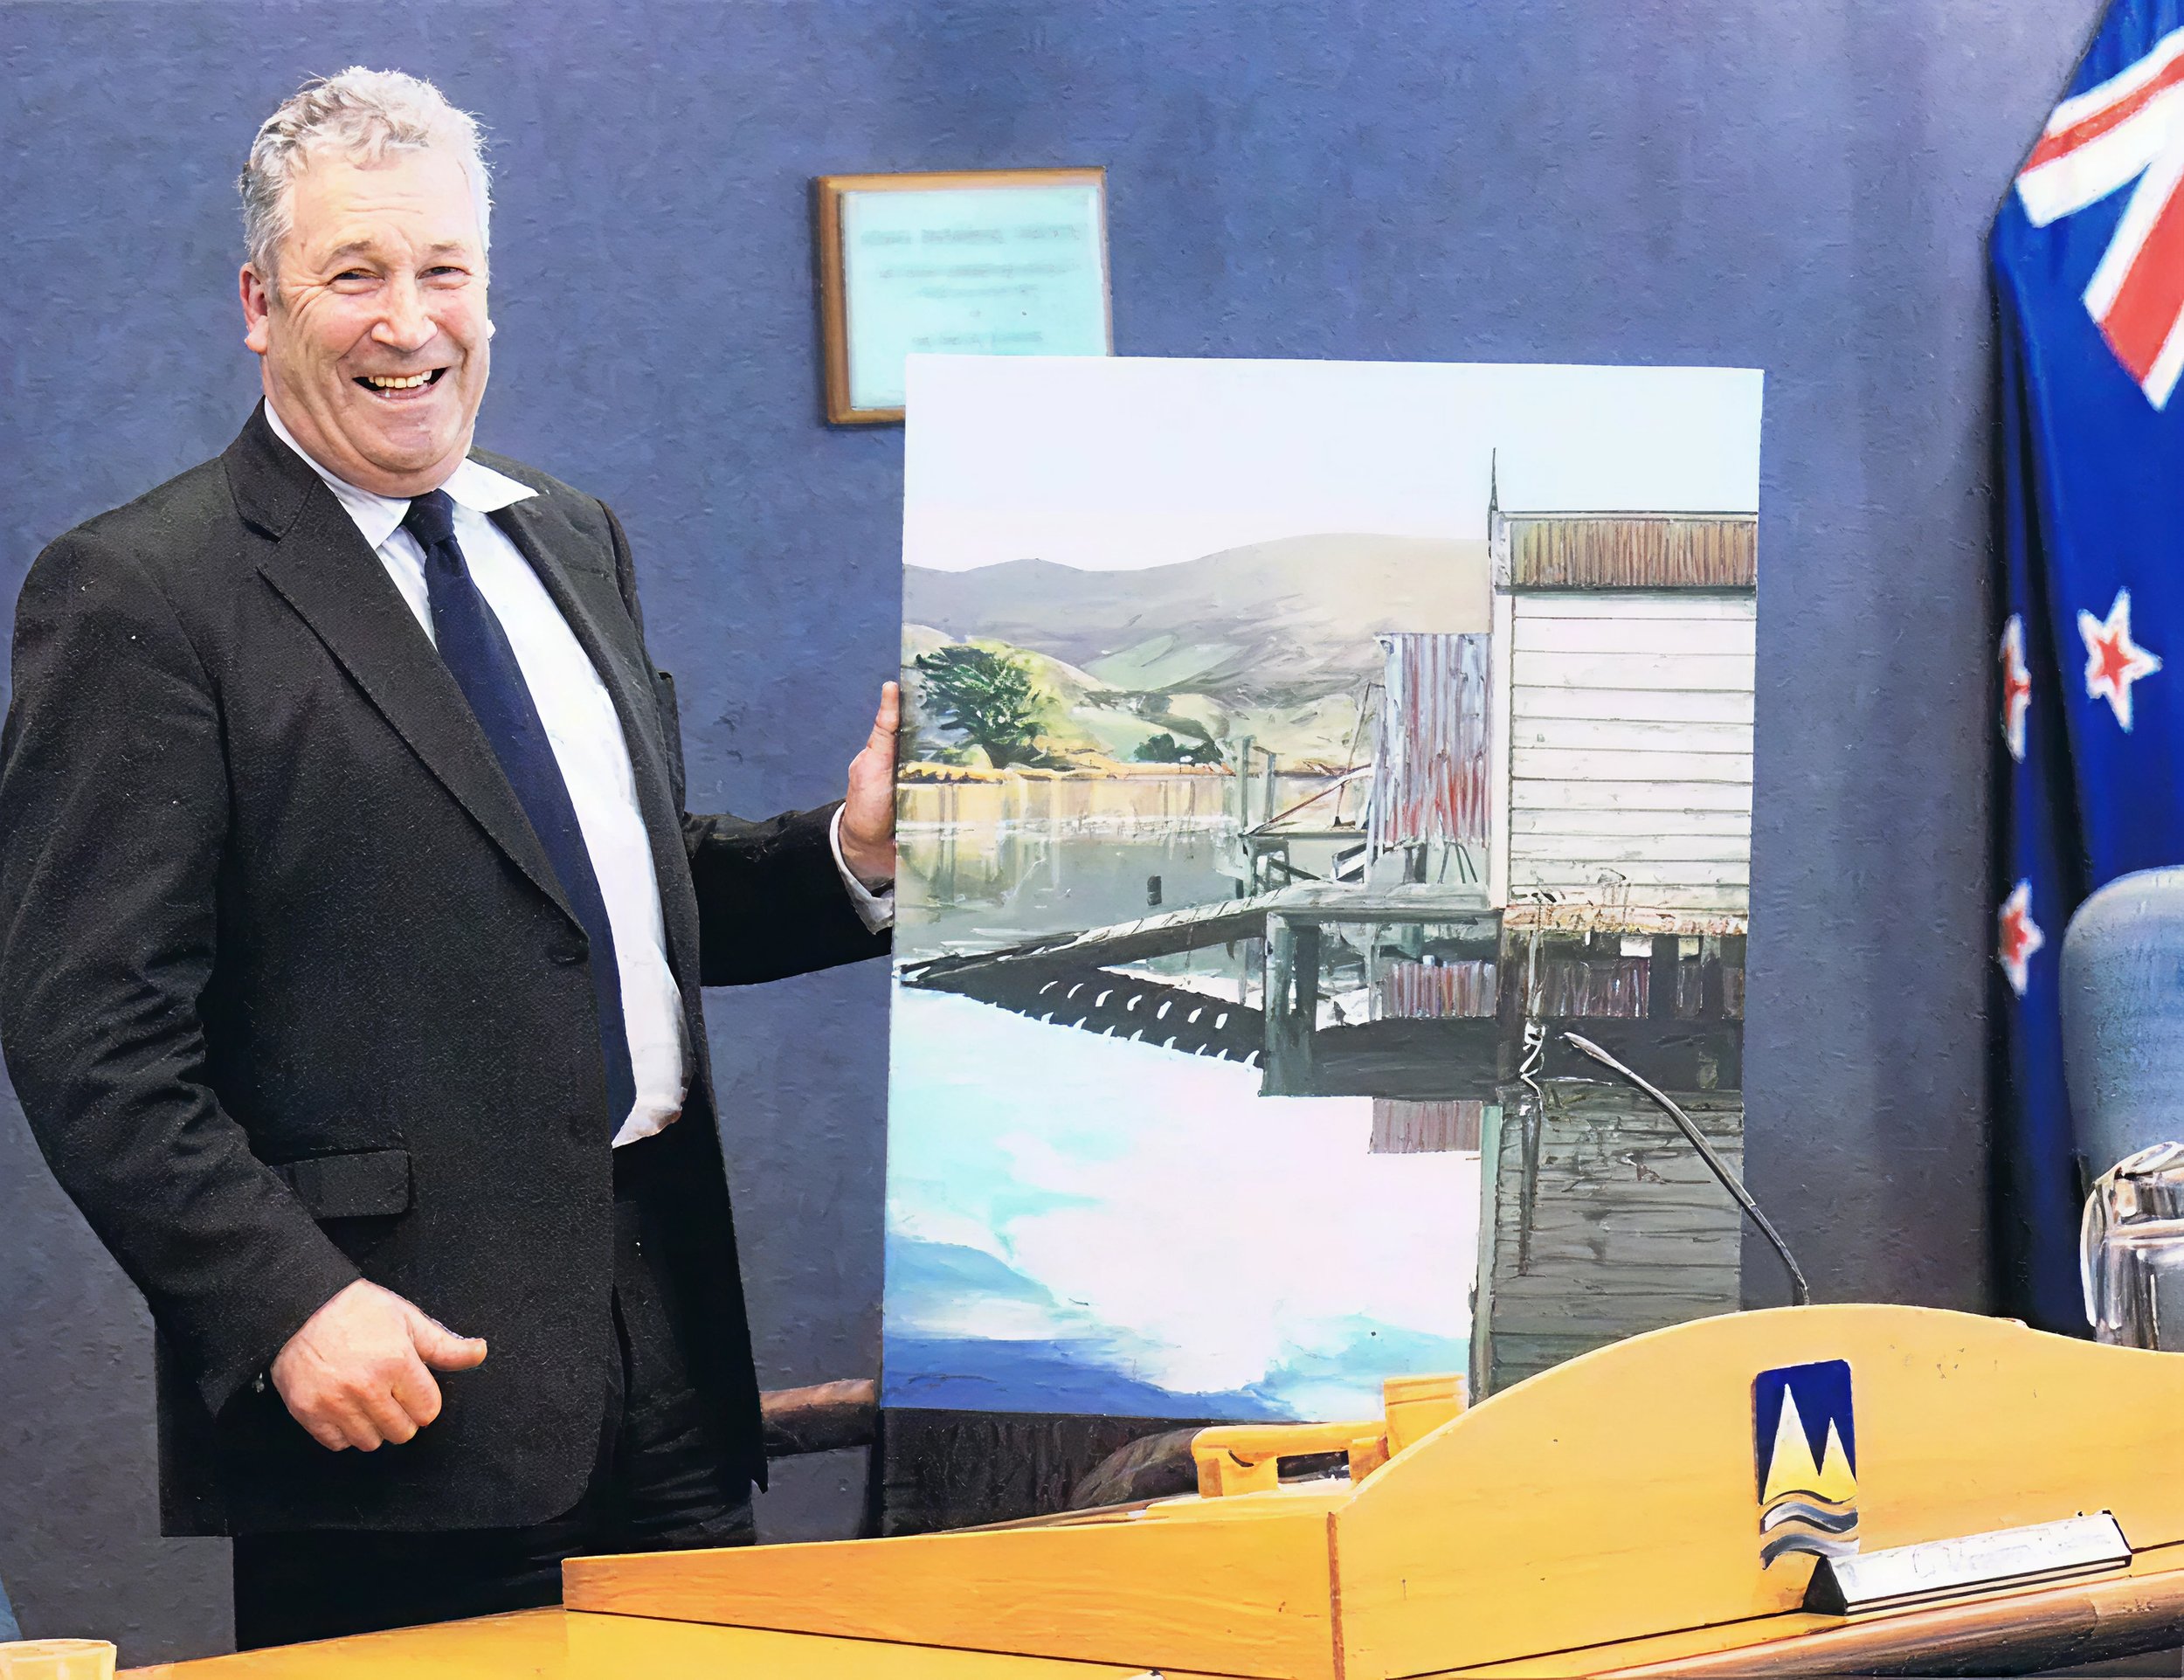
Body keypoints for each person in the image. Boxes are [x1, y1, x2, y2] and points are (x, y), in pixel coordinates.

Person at [0, 67, 896, 1648]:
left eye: (443, 272)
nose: (407, 321)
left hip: (671, 1355)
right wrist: (281, 1300)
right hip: (389, 1396)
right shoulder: (138, 595)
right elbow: (88, 1029)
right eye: (354, 274)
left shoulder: (570, 533)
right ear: (260, 304)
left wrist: (849, 856)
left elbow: (597, 897)